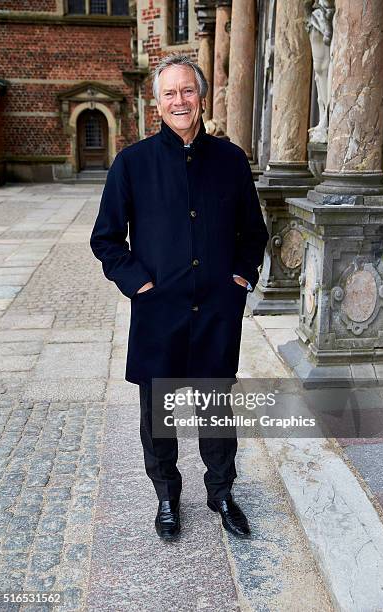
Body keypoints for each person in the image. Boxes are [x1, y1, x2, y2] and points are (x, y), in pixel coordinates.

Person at [90, 54, 268, 541]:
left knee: (215, 408)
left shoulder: (231, 161)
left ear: (201, 96)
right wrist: (139, 283)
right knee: (158, 416)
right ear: (157, 103)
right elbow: (105, 240)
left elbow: (253, 233)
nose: (179, 101)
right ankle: (167, 497)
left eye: (187, 91)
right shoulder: (132, 164)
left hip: (216, 312)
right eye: (169, 93)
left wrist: (240, 279)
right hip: (159, 314)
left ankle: (222, 493)